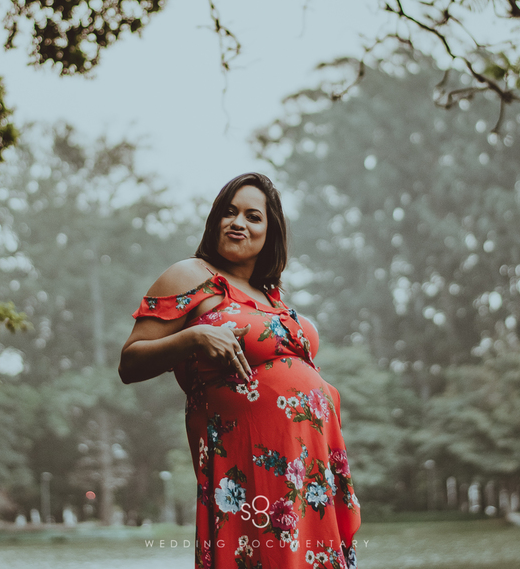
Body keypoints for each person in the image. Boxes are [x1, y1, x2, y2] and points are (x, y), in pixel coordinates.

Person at [120, 172, 361, 569]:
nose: (238, 223)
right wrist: (193, 338)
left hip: (307, 470)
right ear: (215, 220)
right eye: (229, 213)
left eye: (253, 216)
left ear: (271, 233)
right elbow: (130, 362)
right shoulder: (191, 275)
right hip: (247, 465)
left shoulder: (272, 296)